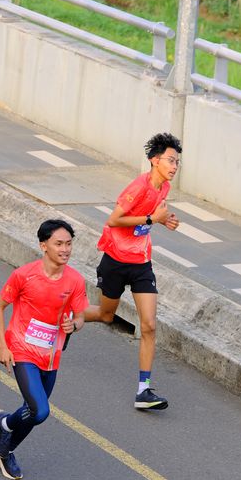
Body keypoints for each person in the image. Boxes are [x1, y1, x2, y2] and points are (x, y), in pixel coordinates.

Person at [84, 132, 182, 411]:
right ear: (155, 160)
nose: (174, 166)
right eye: (170, 160)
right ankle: (67, 316)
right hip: (115, 260)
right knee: (106, 315)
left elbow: (148, 220)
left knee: (149, 325)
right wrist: (152, 218)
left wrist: (163, 221)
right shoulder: (139, 186)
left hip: (141, 263)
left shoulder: (164, 188)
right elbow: (114, 220)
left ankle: (143, 391)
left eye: (177, 162)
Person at [0, 219, 88, 480]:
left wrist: (74, 325)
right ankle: (5, 446)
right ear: (43, 245)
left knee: (33, 411)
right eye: (59, 244)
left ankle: (4, 429)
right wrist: (2, 346)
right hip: (22, 349)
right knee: (40, 410)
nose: (65, 249)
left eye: (69, 244)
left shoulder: (75, 280)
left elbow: (81, 316)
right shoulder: (24, 275)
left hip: (51, 355)